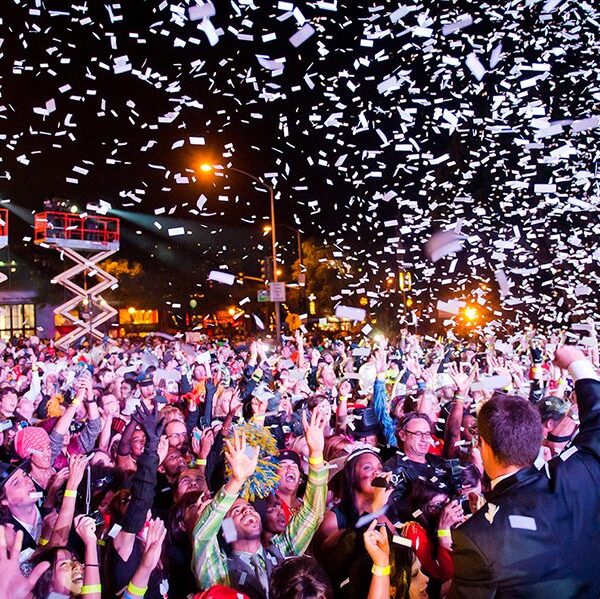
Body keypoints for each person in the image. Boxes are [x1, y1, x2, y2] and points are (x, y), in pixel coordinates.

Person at [449, 346, 600, 598]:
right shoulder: (580, 474)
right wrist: (577, 362)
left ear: (483, 446)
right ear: (538, 437)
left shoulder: (475, 536)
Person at [192, 410, 328, 599]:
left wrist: (316, 456)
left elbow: (312, 514)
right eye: (237, 511)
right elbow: (203, 537)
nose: (248, 511)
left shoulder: (282, 553)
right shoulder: (221, 574)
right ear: (226, 528)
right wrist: (236, 481)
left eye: (249, 509)